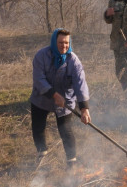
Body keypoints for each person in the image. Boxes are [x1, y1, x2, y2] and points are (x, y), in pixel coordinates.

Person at [30, 28, 91, 168]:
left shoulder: (73, 60)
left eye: (67, 43)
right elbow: (39, 79)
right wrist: (54, 95)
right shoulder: (41, 55)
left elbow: (80, 84)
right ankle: (42, 153)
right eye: (61, 42)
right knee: (38, 127)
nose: (64, 46)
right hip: (41, 98)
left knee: (66, 130)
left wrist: (84, 108)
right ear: (54, 42)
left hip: (66, 101)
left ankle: (72, 162)